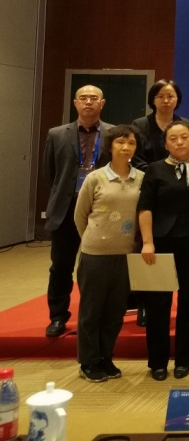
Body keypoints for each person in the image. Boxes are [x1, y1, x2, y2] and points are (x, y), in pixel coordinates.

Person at [138, 121, 189, 380]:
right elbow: (145, 207)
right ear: (166, 144)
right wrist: (147, 242)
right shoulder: (155, 169)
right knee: (158, 303)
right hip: (161, 243)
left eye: (184, 137)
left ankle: (184, 359)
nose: (179, 142)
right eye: (173, 139)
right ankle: (158, 362)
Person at [42, 84, 113, 338]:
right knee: (61, 266)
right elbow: (50, 173)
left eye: (94, 98)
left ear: (102, 103)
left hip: (101, 207)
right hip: (66, 207)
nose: (88, 102)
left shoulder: (114, 133)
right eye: (83, 98)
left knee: (100, 266)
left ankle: (99, 314)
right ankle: (58, 316)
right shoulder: (56, 134)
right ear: (75, 103)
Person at [74, 124, 142, 382]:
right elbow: (80, 216)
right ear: (110, 146)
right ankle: (88, 361)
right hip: (95, 255)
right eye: (120, 142)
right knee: (91, 312)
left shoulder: (141, 179)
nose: (126, 147)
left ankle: (106, 357)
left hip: (125, 255)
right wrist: (96, 240)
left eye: (131, 143)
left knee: (115, 312)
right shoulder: (96, 178)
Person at [131, 79, 189, 171]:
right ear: (153, 100)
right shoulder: (139, 125)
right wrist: (158, 174)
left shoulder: (186, 124)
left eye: (170, 96)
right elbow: (136, 158)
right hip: (147, 176)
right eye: (160, 96)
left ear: (177, 99)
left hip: (181, 175)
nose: (166, 100)